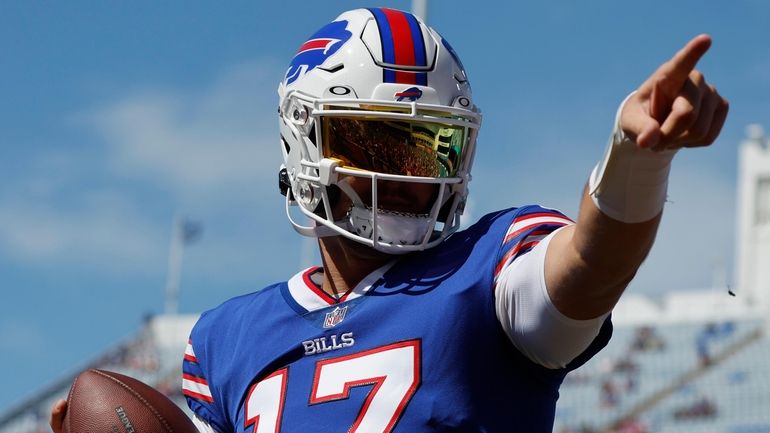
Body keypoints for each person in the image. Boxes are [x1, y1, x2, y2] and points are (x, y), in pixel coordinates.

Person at [50, 7, 727, 433]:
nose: (406, 173)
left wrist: (636, 158)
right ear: (305, 143)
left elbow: (591, 264)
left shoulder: (485, 270)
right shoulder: (228, 337)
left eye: (432, 146)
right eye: (376, 143)